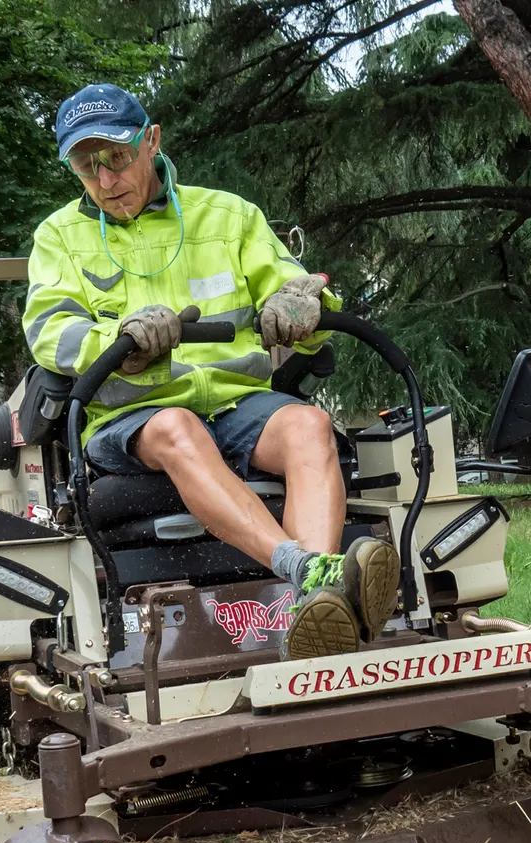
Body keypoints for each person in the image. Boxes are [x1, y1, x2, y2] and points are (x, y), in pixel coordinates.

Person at [23, 84, 399, 660]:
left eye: (116, 158)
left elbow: (301, 293)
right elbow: (50, 331)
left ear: (151, 141)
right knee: (177, 426)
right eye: (85, 165)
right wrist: (121, 343)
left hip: (237, 403)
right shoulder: (59, 238)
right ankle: (306, 571)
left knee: (309, 426)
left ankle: (313, 610)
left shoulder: (229, 217)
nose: (104, 180)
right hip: (131, 415)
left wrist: (304, 305)